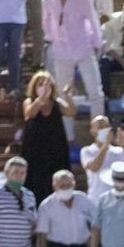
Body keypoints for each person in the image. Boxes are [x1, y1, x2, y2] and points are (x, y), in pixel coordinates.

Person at [42, 0, 105, 118]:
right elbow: (46, 20)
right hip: (61, 51)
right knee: (63, 93)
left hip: (83, 48)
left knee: (95, 91)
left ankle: (99, 129)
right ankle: (67, 135)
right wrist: (51, 37)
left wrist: (97, 43)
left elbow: (93, 21)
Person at [21, 71, 75, 201]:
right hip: (35, 149)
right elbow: (30, 114)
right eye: (40, 84)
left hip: (55, 149)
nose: (45, 87)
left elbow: (70, 111)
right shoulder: (29, 101)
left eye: (47, 85)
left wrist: (67, 96)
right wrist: (40, 100)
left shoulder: (57, 103)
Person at [80, 117, 124, 202]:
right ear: (92, 131)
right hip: (96, 199)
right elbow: (94, 168)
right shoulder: (87, 151)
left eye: (106, 126)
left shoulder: (118, 151)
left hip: (117, 200)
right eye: (100, 126)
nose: (104, 129)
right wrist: (105, 145)